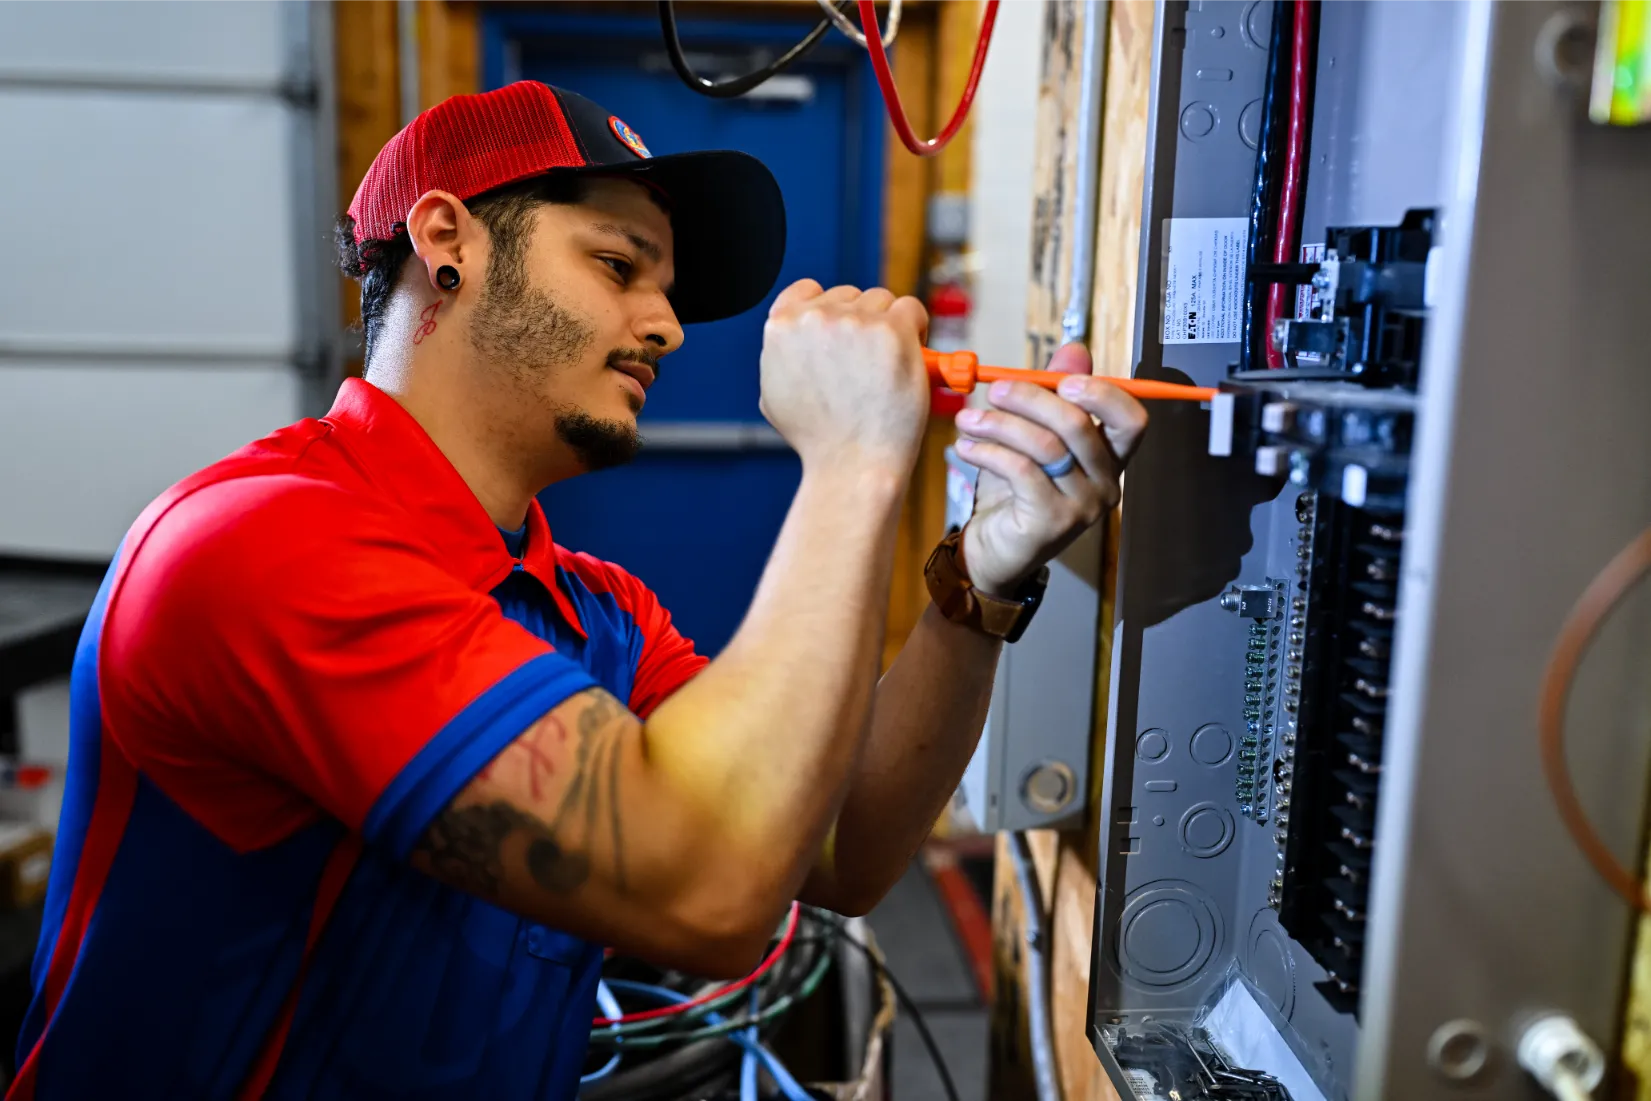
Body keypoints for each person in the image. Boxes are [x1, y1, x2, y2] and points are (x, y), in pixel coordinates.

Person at [10, 82, 1145, 1100]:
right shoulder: (261, 547)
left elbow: (840, 850)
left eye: (665, 286)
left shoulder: (592, 609)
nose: (663, 324)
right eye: (616, 266)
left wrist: (977, 576)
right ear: (447, 240)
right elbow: (707, 892)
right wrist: (852, 460)